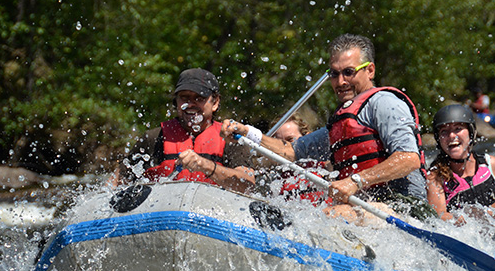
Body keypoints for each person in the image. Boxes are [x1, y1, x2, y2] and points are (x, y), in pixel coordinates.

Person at [221, 33, 429, 223]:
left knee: (331, 216)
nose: (340, 82)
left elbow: (409, 158)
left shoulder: (385, 103)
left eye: (348, 72)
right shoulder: (341, 122)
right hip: (365, 209)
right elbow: (291, 151)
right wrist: (248, 132)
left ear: (370, 70)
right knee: (319, 212)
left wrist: (355, 181)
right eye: (334, 74)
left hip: (405, 209)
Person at [110, 68, 255, 192]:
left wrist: (206, 166)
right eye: (184, 98)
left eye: (199, 98)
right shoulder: (153, 138)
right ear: (177, 102)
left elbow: (248, 185)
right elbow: (117, 183)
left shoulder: (230, 138)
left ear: (215, 102)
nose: (190, 104)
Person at [426, 104, 495, 225]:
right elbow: (439, 216)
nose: (451, 135)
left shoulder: (490, 164)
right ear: (438, 139)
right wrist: (482, 214)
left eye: (457, 129)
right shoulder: (435, 177)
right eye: (444, 131)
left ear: (471, 133)